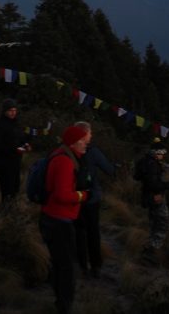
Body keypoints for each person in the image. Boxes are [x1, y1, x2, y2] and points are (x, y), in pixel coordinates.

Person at [40, 125, 92, 314]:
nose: (86, 144)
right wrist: (82, 196)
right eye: (82, 141)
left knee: (60, 262)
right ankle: (64, 306)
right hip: (58, 220)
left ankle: (60, 300)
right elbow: (62, 195)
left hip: (54, 218)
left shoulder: (63, 155)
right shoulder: (65, 162)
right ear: (73, 143)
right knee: (66, 267)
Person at [72, 121, 116, 279]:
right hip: (92, 198)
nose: (91, 136)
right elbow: (109, 170)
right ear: (85, 134)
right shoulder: (93, 152)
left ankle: (81, 265)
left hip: (74, 198)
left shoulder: (68, 150)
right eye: (90, 133)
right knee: (93, 232)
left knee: (78, 232)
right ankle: (96, 266)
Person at [138, 138, 169, 262]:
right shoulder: (152, 165)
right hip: (155, 196)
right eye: (161, 153)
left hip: (147, 196)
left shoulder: (144, 161)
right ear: (156, 153)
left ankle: (148, 249)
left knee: (153, 224)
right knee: (162, 224)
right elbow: (153, 184)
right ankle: (152, 252)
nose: (163, 156)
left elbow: (137, 176)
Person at [0, 98, 32, 203]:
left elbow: (21, 137)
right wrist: (14, 149)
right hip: (4, 163)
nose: (13, 113)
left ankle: (13, 211)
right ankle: (5, 213)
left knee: (15, 188)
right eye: (10, 110)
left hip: (16, 162)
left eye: (14, 110)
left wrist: (26, 144)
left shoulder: (16, 124)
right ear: (5, 111)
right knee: (7, 191)